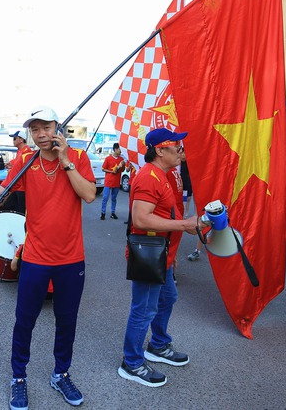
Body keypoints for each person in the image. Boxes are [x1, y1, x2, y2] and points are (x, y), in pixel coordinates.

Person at [0, 105, 96, 410]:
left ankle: (61, 373)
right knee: (24, 320)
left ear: (58, 127)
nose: (41, 135)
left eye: (46, 128)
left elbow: (89, 194)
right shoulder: (26, 162)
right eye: (35, 129)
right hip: (36, 257)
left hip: (71, 258)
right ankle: (18, 378)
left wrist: (66, 160)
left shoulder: (78, 158)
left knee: (66, 321)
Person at [118, 128, 204, 387]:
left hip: (162, 253)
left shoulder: (165, 175)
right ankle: (131, 363)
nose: (181, 151)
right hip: (148, 254)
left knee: (168, 297)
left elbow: (166, 213)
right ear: (159, 150)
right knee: (143, 310)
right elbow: (142, 218)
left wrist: (173, 251)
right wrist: (186, 225)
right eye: (176, 147)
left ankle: (157, 345)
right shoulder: (148, 177)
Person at [2, 130, 30, 214]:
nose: (13, 140)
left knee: (19, 210)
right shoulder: (21, 151)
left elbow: (23, 168)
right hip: (17, 186)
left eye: (14, 138)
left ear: (21, 139)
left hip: (22, 187)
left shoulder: (26, 151)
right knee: (8, 207)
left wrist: (12, 168)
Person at [100, 142, 125, 220]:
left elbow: (123, 170)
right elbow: (103, 168)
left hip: (116, 182)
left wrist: (122, 165)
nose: (120, 151)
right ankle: (103, 213)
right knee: (105, 197)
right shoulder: (108, 158)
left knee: (114, 198)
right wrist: (112, 171)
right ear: (115, 149)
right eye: (119, 149)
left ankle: (112, 213)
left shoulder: (121, 159)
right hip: (108, 181)